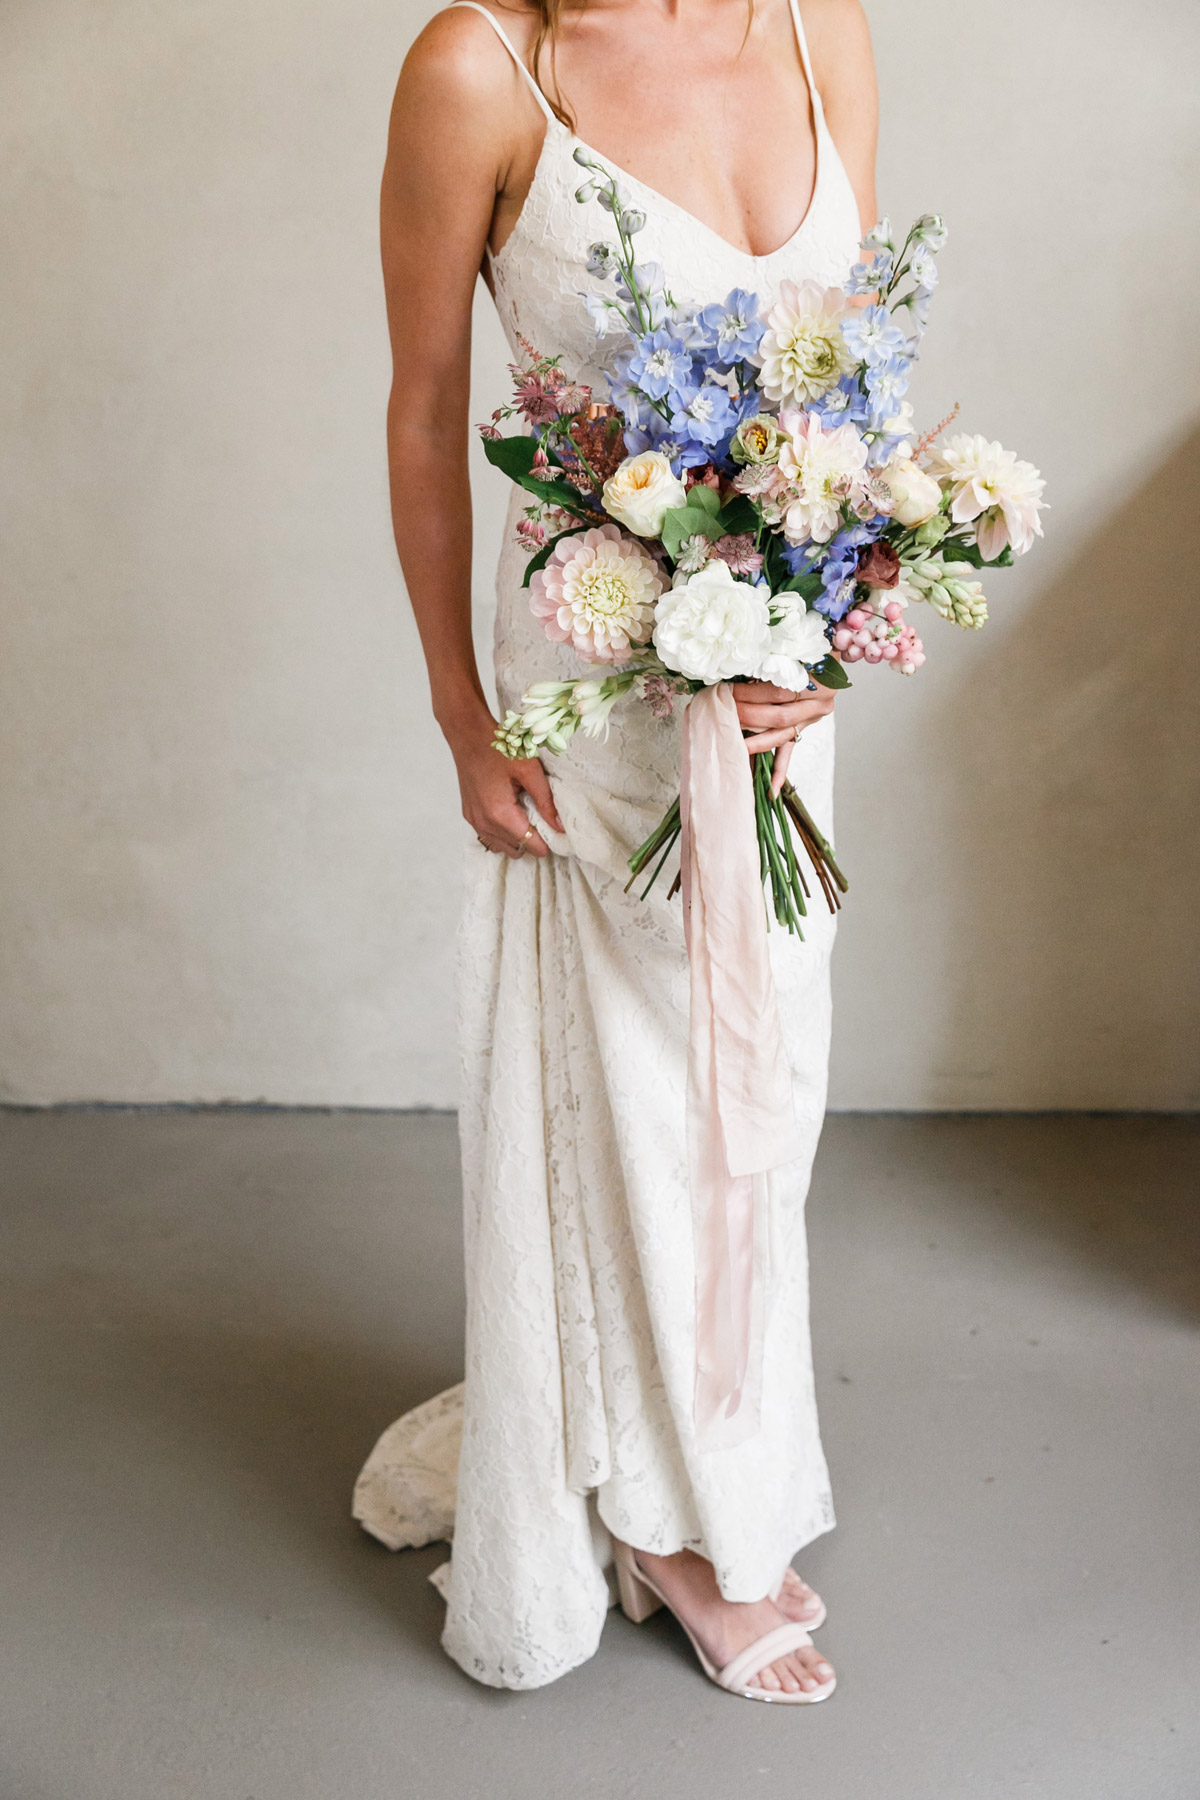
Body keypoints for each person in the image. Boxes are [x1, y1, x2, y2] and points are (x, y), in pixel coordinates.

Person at [366, 0, 878, 1700]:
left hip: (776, 689)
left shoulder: (819, 29)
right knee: (645, 1091)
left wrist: (835, 621)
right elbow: (430, 404)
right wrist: (458, 707)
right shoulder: (480, 67)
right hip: (592, 674)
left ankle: (715, 1456)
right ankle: (673, 1522)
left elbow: (848, 379)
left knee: (767, 1081)